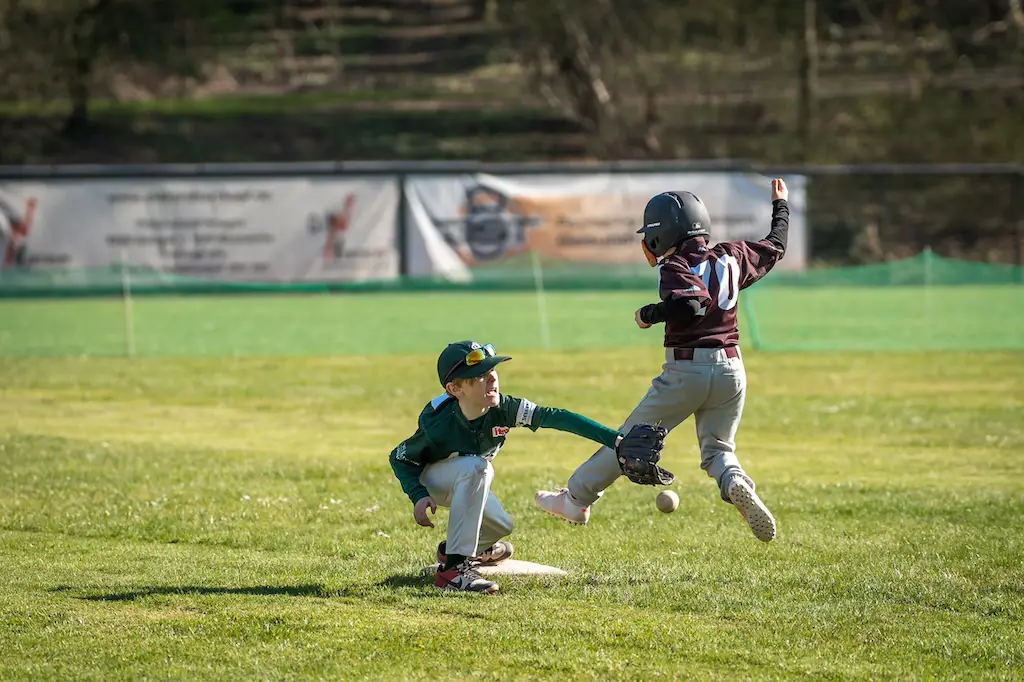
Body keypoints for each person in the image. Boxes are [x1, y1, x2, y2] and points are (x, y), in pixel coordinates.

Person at [535, 178, 792, 543]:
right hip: (732, 371)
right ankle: (734, 481)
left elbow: (691, 303)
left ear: (663, 234)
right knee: (719, 450)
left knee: (629, 440)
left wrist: (649, 313)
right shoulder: (732, 256)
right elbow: (776, 244)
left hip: (687, 370)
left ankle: (575, 499)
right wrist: (780, 206)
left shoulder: (675, 265)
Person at [389, 340, 665, 593]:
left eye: (492, 370)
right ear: (454, 389)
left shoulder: (503, 408)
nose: (492, 377)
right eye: (479, 375)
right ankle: (453, 571)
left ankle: (452, 551)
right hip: (434, 480)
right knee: (477, 468)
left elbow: (555, 417)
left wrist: (615, 440)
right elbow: (399, 457)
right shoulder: (440, 423)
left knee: (501, 525)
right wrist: (417, 494)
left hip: (466, 477)